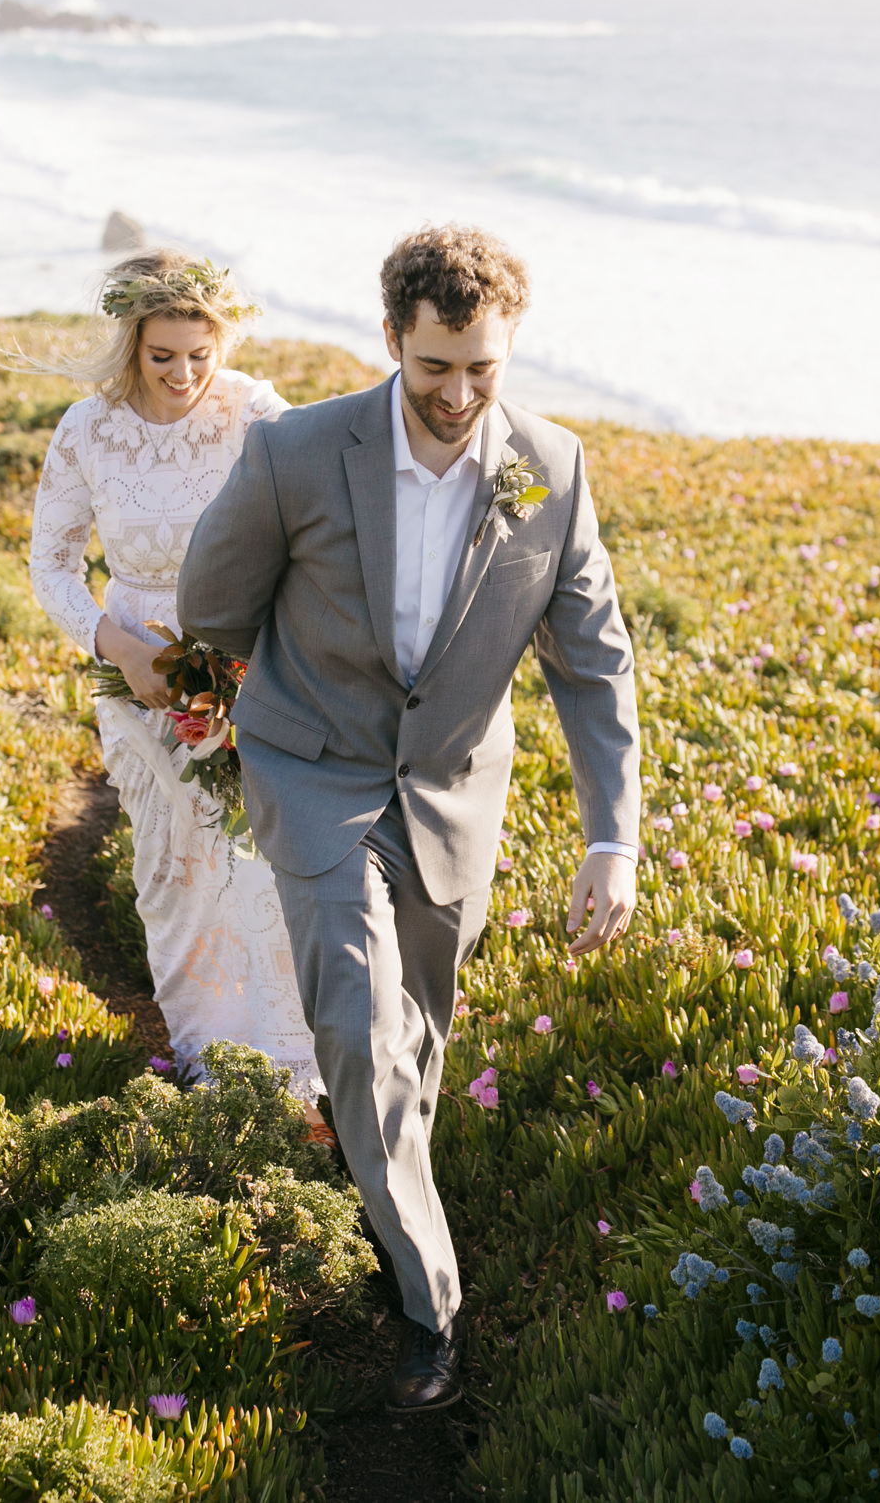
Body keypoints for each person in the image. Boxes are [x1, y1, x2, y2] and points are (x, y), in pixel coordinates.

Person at [178, 224, 640, 1411]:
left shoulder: (551, 466)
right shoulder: (295, 452)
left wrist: (611, 835)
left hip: (451, 797)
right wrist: (293, 695)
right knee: (357, 1022)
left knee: (416, 1045)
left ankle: (387, 1199)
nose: (458, 393)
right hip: (316, 777)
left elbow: (591, 662)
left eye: (482, 368)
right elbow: (213, 602)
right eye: (436, 366)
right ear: (391, 340)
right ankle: (432, 1308)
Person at [26, 249, 323, 1105]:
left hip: (249, 671)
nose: (186, 374)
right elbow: (51, 566)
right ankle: (204, 1058)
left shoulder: (254, 411)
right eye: (163, 356)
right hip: (135, 679)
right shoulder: (87, 427)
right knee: (173, 868)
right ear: (131, 344)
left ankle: (293, 1069)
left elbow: (319, 514)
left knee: (259, 864)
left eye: (202, 353)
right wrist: (112, 643)